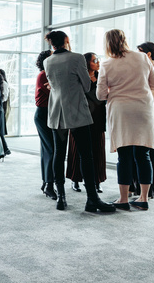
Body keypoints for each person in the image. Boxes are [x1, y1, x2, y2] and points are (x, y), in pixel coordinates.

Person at [44, 30, 114, 212]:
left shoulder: (47, 61)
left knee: (59, 154)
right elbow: (86, 85)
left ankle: (61, 198)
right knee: (86, 155)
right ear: (66, 41)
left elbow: (53, 85)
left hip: (56, 112)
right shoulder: (76, 58)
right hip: (75, 111)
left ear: (51, 44)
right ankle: (92, 199)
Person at [97, 30, 154, 211]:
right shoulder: (142, 58)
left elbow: (101, 95)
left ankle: (123, 199)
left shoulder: (107, 63)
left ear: (107, 43)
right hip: (143, 110)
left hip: (121, 111)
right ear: (125, 40)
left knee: (123, 156)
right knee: (143, 154)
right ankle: (143, 198)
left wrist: (117, 90)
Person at [130, 42, 154, 199]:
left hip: (152, 120)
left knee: (151, 156)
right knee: (136, 155)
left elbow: (152, 96)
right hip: (138, 118)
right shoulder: (140, 71)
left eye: (139, 52)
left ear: (149, 54)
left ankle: (149, 191)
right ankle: (136, 188)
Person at [66, 53, 107, 194]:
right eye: (94, 60)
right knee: (77, 149)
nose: (98, 62)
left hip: (98, 117)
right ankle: (75, 179)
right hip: (79, 116)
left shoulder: (102, 77)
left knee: (97, 148)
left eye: (98, 60)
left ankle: (97, 181)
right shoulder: (78, 77)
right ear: (86, 63)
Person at [32, 50, 56, 200]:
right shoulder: (44, 74)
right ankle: (48, 184)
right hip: (43, 114)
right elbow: (54, 92)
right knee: (51, 150)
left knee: (47, 150)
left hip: (49, 113)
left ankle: (46, 182)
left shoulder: (49, 74)